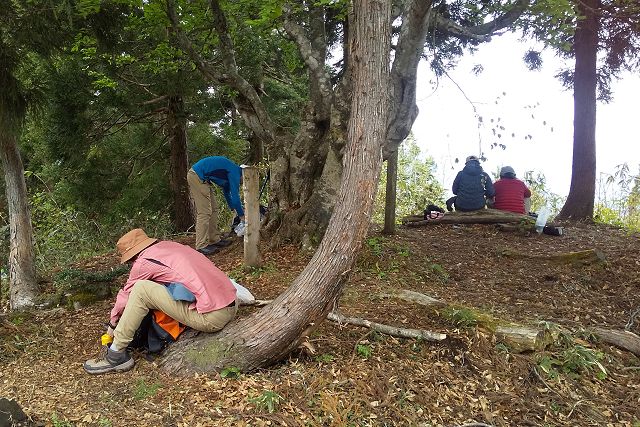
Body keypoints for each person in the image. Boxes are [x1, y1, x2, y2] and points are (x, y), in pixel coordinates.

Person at [83, 228, 237, 375]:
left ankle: (116, 354)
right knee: (151, 287)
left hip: (213, 317)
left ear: (132, 256)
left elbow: (125, 297)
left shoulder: (143, 262)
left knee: (141, 289)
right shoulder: (169, 246)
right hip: (231, 303)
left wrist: (112, 324)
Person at [187, 156, 244, 255]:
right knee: (204, 213)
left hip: (203, 179)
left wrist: (232, 207)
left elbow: (226, 191)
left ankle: (214, 239)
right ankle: (201, 245)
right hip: (197, 176)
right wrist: (241, 215)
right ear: (244, 174)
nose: (243, 183)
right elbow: (235, 196)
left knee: (214, 209)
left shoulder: (231, 172)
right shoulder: (236, 172)